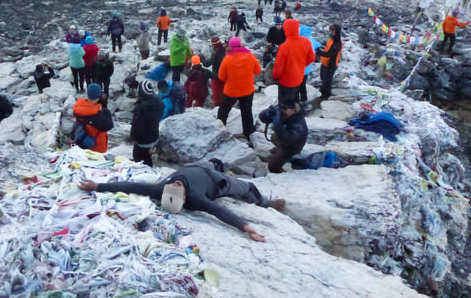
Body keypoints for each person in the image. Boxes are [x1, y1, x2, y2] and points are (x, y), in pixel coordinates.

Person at [78, 163, 286, 242]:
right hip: (216, 182)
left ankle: (219, 165)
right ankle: (266, 203)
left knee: (213, 162)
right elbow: (219, 212)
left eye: (174, 185)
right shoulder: (197, 198)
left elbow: (130, 186)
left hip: (197, 166)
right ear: (185, 198)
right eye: (177, 187)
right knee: (246, 187)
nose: (176, 183)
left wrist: (98, 186)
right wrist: (246, 227)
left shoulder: (161, 189)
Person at [217, 37, 261, 143]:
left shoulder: (227, 59)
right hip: (247, 90)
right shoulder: (250, 56)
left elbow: (221, 77)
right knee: (247, 112)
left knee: (223, 112)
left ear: (230, 47)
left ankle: (219, 130)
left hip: (231, 91)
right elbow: (258, 71)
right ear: (241, 45)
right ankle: (249, 133)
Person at [273, 18, 316, 109]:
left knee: (285, 105)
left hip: (286, 81)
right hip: (299, 77)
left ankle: (286, 120)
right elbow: (312, 58)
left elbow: (278, 67)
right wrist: (301, 65)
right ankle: (296, 114)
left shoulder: (284, 46)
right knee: (295, 99)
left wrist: (275, 77)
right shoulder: (306, 42)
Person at [260, 102, 308, 173]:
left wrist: (278, 125)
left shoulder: (299, 125)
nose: (283, 111)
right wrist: (266, 114)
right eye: (283, 108)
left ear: (293, 109)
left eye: (286, 109)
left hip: (293, 145)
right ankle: (280, 151)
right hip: (288, 137)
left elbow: (288, 139)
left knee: (272, 167)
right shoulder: (287, 113)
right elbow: (264, 118)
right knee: (274, 137)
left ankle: (284, 173)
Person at [130, 80, 164, 166]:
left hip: (143, 141)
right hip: (154, 136)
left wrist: (133, 137)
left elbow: (137, 128)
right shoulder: (158, 102)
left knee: (138, 157)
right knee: (147, 157)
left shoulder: (141, 108)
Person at [72, 83, 114, 153]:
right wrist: (105, 111)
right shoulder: (96, 114)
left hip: (81, 141)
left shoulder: (79, 106)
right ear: (99, 96)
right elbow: (108, 125)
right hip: (96, 148)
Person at [316, 24, 343, 100]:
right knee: (323, 78)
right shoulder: (331, 39)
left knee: (327, 80)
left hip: (331, 64)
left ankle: (327, 95)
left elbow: (329, 54)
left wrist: (319, 52)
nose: (330, 32)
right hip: (325, 62)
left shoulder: (337, 42)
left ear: (336, 31)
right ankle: (323, 92)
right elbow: (327, 49)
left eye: (332, 30)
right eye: (330, 30)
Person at [297, 23, 321, 104]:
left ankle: (296, 102)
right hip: (307, 67)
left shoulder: (299, 40)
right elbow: (319, 45)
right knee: (303, 84)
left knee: (297, 84)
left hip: (298, 66)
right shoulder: (312, 40)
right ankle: (304, 99)